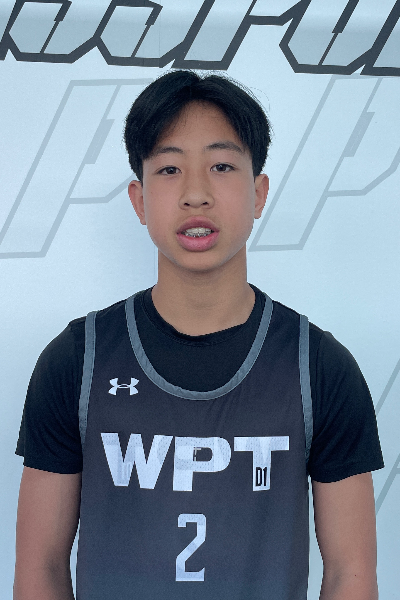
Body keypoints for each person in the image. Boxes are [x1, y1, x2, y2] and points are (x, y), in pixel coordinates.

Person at [14, 70, 383, 600]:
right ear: (139, 200)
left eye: (222, 166)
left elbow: (351, 575)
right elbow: (40, 570)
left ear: (259, 193)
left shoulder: (319, 367)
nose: (195, 194)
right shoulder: (77, 360)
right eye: (169, 169)